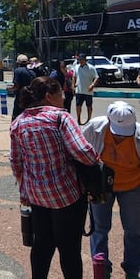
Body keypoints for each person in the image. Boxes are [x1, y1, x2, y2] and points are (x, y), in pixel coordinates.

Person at [10, 76, 100, 279]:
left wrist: (24, 191)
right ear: (49, 97)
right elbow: (82, 151)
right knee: (69, 249)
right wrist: (97, 160)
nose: (64, 96)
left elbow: (16, 162)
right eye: (61, 93)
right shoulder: (60, 117)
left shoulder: (18, 122)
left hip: (37, 195)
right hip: (66, 193)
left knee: (42, 243)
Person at [81, 101, 140, 279]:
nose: (121, 137)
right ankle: (101, 269)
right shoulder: (94, 127)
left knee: (134, 230)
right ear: (108, 119)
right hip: (101, 186)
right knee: (99, 228)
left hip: (132, 186)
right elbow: (79, 152)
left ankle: (132, 269)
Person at [74, 53, 99, 125]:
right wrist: (73, 85)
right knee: (78, 105)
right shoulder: (76, 67)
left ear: (85, 60)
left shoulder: (91, 68)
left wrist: (93, 85)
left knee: (89, 106)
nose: (80, 61)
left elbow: (96, 77)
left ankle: (89, 119)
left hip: (88, 91)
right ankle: (78, 119)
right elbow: (74, 76)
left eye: (82, 59)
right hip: (79, 90)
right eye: (79, 60)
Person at [10, 54, 35, 120]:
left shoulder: (18, 71)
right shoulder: (32, 72)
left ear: (18, 63)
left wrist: (10, 89)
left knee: (16, 116)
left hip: (20, 98)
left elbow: (16, 86)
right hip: (30, 98)